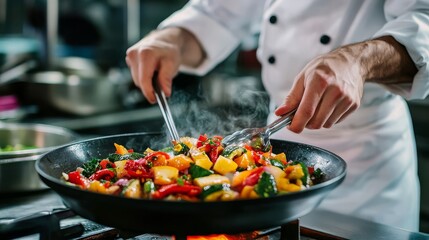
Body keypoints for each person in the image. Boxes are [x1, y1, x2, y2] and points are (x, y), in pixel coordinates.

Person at [125, 0, 429, 231]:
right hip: (279, 149)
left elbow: (423, 18)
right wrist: (171, 39)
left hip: (365, 174)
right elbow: (218, 12)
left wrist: (359, 61)